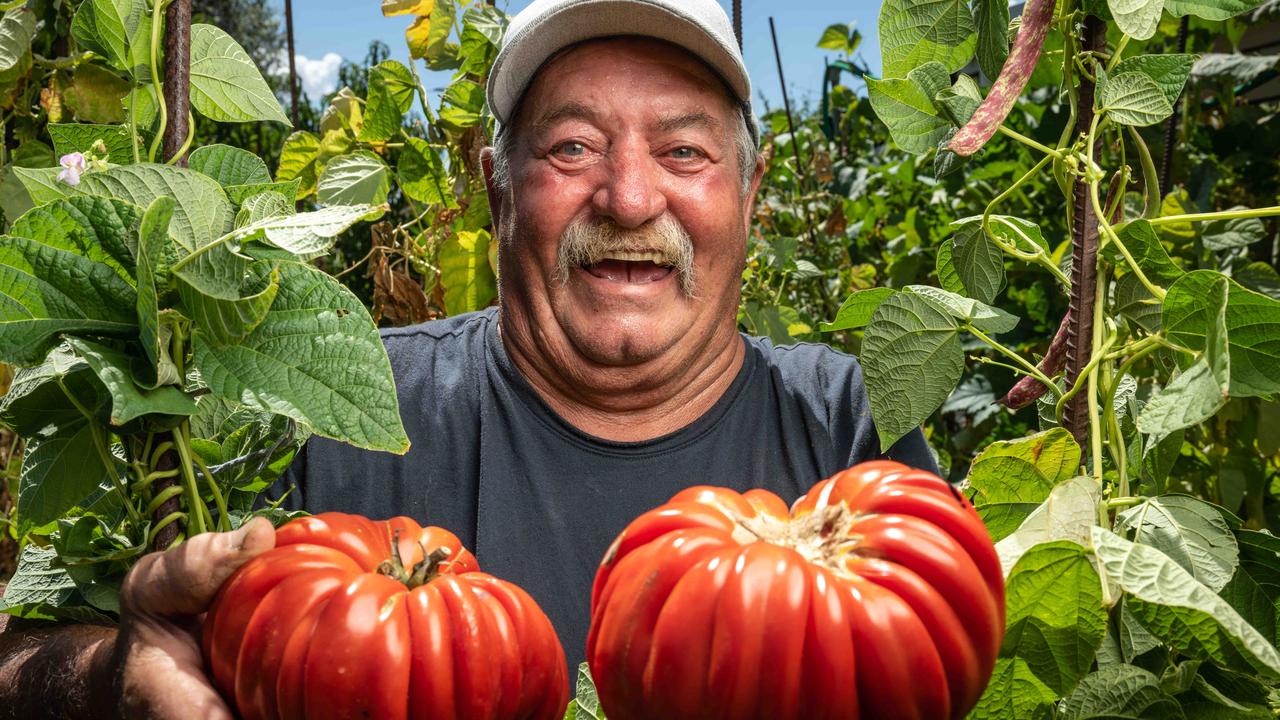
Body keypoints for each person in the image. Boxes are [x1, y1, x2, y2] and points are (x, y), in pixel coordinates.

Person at [0, 0, 938, 716]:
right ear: (496, 188)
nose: (628, 195)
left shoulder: (843, 427)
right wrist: (107, 673)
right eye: (573, 147)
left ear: (751, 192)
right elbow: (15, 658)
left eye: (684, 150)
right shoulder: (335, 409)